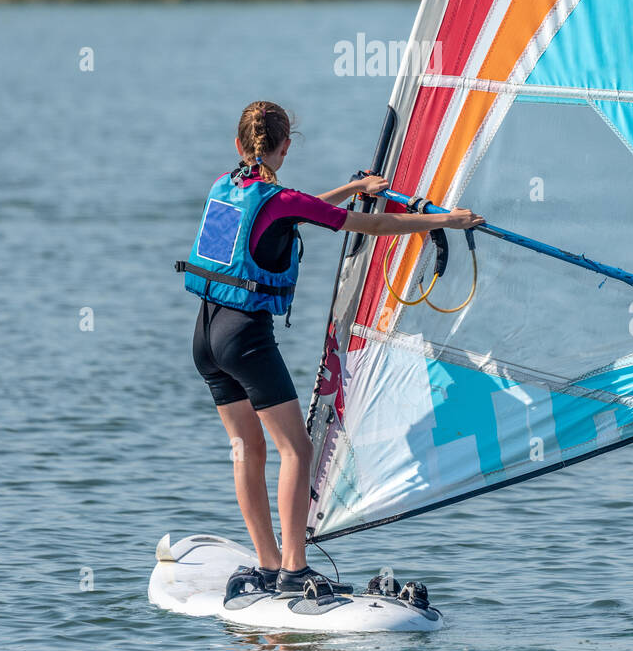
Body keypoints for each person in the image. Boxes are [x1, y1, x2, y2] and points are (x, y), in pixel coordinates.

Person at [180, 100, 482, 601]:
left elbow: (293, 207)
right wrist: (444, 221)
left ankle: (267, 562)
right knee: (295, 449)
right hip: (245, 339)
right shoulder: (278, 199)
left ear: (238, 146)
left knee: (245, 448)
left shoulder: (227, 187)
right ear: (285, 148)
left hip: (205, 338)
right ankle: (294, 569)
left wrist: (354, 189)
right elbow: (367, 226)